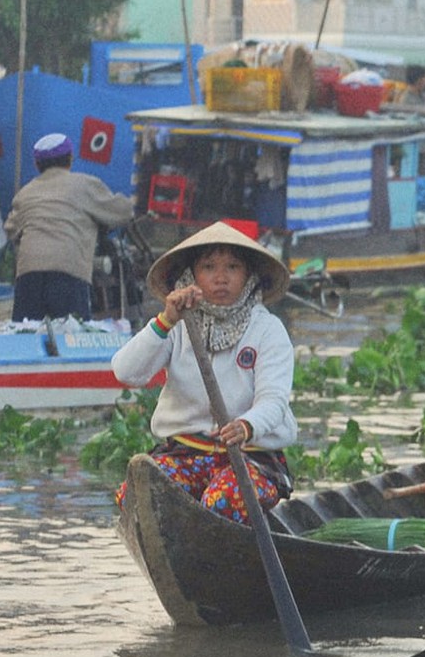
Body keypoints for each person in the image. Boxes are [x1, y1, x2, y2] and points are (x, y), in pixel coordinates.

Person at [110, 223, 297, 524]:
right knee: (133, 494)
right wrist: (166, 321)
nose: (221, 278)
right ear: (192, 275)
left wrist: (246, 426)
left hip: (250, 458)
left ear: (249, 276)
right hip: (187, 454)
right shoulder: (178, 324)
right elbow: (127, 372)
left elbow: (274, 400)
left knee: (221, 500)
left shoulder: (267, 329)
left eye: (233, 267)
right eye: (209, 267)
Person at [3, 133, 136, 321]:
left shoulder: (25, 192)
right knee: (70, 333)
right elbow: (123, 212)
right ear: (70, 160)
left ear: (37, 165)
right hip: (69, 274)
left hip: (28, 277)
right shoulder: (85, 185)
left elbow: (10, 229)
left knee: (25, 336)